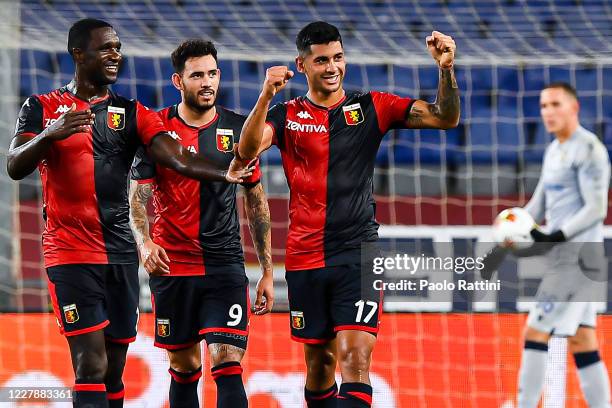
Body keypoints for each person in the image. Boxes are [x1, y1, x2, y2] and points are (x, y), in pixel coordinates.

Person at [7, 19, 251, 408]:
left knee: (113, 371)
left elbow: (174, 156)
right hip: (69, 254)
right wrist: (50, 133)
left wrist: (225, 172)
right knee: (90, 363)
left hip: (119, 255)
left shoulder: (131, 111)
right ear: (79, 54)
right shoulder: (41, 107)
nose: (115, 55)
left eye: (117, 48)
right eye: (106, 48)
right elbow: (15, 165)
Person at [238, 21, 459, 407]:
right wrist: (264, 97)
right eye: (321, 60)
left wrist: (445, 69)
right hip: (305, 256)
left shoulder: (372, 105)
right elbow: (247, 150)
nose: (332, 67)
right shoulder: (285, 114)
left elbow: (445, 117)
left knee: (356, 360)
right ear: (302, 65)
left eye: (338, 58)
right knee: (319, 367)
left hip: (359, 252)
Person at [129, 39, 273, 408]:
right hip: (171, 266)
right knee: (184, 365)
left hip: (223, 264)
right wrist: (144, 242)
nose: (206, 82)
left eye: (212, 73)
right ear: (179, 81)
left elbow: (256, 203)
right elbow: (138, 199)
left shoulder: (239, 129)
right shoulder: (156, 130)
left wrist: (268, 271)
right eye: (197, 75)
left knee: (227, 361)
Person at [482, 83, 611, 407]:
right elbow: (536, 207)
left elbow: (596, 208)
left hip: (579, 258)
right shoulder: (555, 149)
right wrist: (503, 245)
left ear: (574, 108)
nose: (548, 112)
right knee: (583, 341)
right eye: (543, 106)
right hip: (568, 258)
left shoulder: (590, 149)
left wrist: (554, 236)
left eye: (555, 104)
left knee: (535, 332)